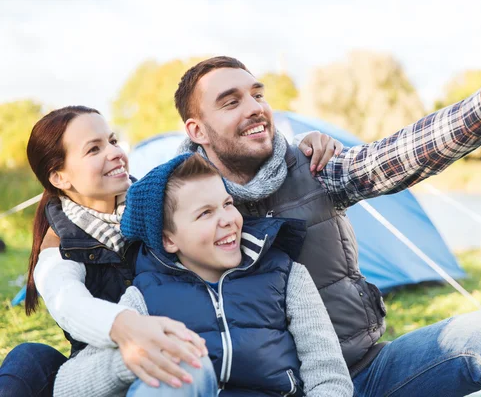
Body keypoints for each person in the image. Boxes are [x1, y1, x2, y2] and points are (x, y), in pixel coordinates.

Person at [171, 0, 481, 395]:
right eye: (231, 102)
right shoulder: (174, 205)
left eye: (258, 95)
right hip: (275, 389)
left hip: (365, 373)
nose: (255, 108)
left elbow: (406, 153)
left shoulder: (314, 166)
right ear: (197, 130)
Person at [0, 107, 340, 397]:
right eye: (94, 150)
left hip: (181, 358)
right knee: (29, 358)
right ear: (59, 177)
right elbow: (71, 306)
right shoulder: (59, 247)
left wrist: (298, 148)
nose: (115, 153)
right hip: (110, 368)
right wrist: (127, 330)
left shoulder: (154, 204)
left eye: (113, 141)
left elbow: (213, 177)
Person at [53, 152, 352, 396]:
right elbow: (66, 386)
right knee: (179, 371)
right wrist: (131, 360)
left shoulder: (285, 275)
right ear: (169, 239)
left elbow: (327, 373)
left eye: (227, 204)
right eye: (205, 213)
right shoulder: (144, 297)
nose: (228, 220)